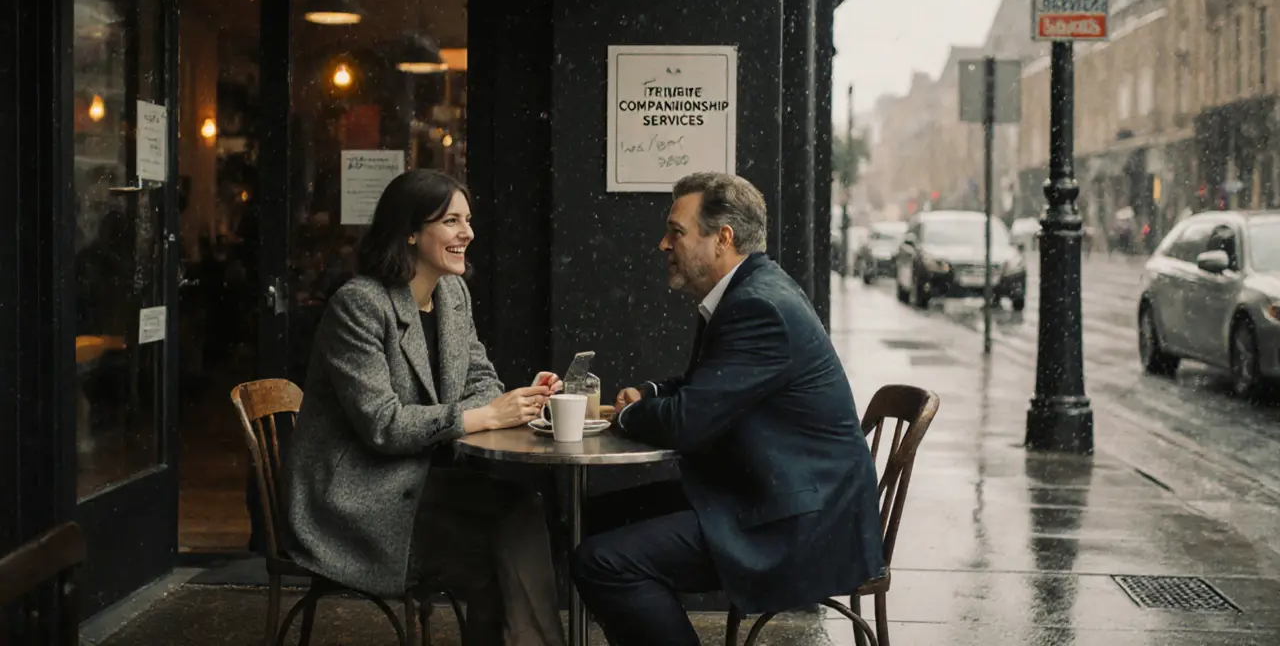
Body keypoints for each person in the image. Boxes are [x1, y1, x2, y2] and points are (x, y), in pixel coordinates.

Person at [571, 173, 885, 645]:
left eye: (676, 232)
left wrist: (627, 415)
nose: (663, 244)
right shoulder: (751, 290)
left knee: (602, 561)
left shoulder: (758, 306)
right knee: (590, 515)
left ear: (723, 238)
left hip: (798, 525)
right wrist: (650, 393)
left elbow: (688, 423)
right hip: (769, 493)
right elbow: (706, 388)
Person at [284, 169, 566, 646]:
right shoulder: (359, 306)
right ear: (410, 231)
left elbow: (482, 381)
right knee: (502, 552)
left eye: (468, 220)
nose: (467, 233)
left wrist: (513, 403)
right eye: (451, 221)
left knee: (521, 511)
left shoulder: (452, 295)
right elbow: (383, 424)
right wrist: (484, 415)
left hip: (420, 480)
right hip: (358, 499)